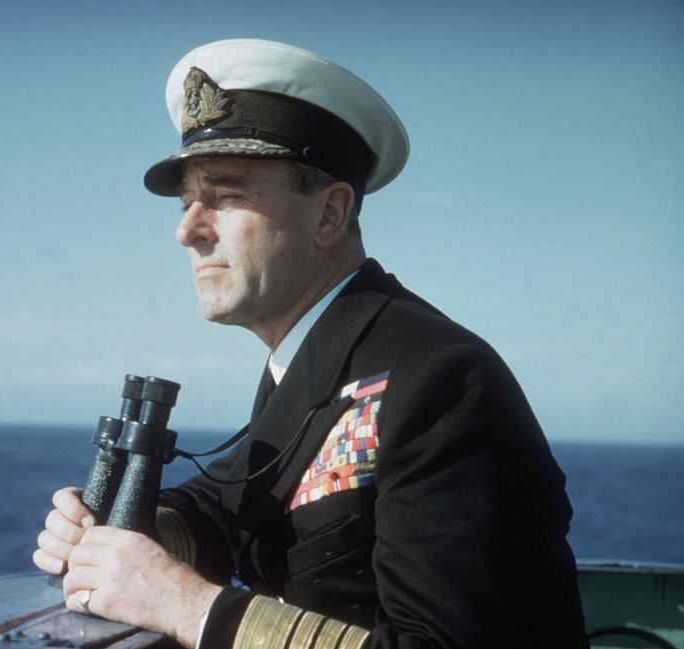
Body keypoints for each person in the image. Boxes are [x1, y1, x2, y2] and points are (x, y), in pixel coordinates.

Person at [33, 39, 588, 649]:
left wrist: (183, 603)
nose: (186, 231)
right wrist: (131, 534)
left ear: (329, 216)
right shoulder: (318, 358)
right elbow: (232, 503)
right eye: (190, 202)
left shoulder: (440, 379)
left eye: (226, 195)